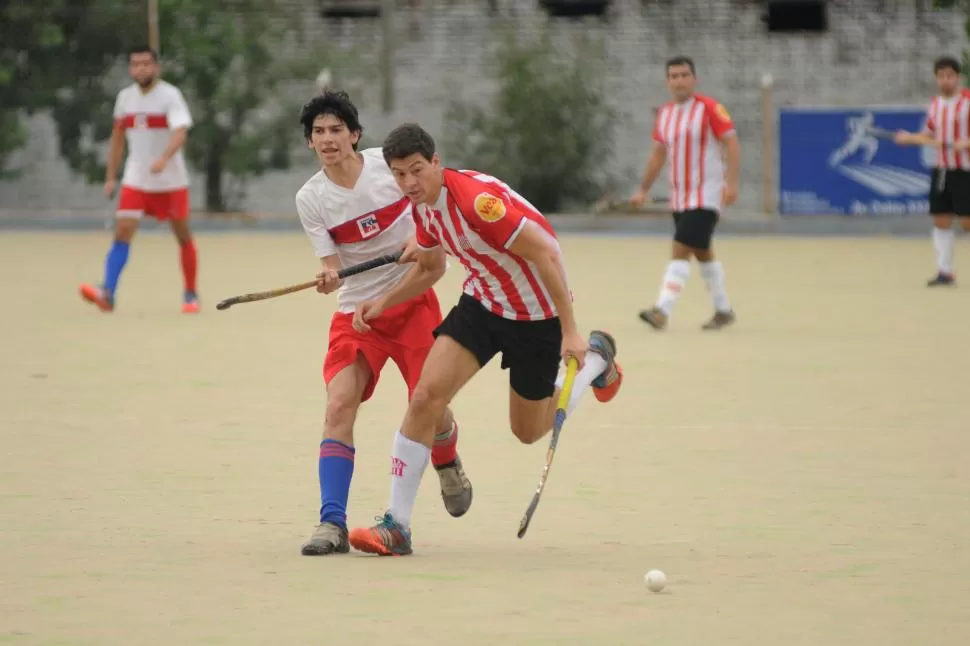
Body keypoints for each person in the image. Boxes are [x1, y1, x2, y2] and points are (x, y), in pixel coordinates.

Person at [345, 123, 624, 556]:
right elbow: (432, 267)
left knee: (527, 430)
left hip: (538, 314)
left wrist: (569, 330)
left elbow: (546, 253)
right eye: (399, 174)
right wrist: (383, 301)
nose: (409, 183)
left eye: (417, 170)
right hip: (484, 302)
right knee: (425, 397)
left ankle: (594, 364)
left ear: (436, 163)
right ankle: (396, 526)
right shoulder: (421, 208)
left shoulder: (479, 203)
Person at [294, 92, 473, 556]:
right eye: (319, 133)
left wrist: (422, 238)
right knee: (338, 406)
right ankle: (331, 523)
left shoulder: (388, 169)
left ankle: (447, 458)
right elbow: (333, 266)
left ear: (354, 135)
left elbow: (431, 213)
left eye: (337, 130)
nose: (328, 139)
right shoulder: (311, 198)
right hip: (358, 313)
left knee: (430, 408)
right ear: (310, 143)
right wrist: (329, 275)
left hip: (413, 301)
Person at [79, 46, 199, 313]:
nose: (141, 69)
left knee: (182, 235)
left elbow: (180, 132)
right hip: (136, 179)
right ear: (131, 69)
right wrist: (111, 177)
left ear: (156, 67)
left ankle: (190, 294)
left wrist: (164, 159)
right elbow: (117, 140)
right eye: (135, 64)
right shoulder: (125, 98)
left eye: (146, 64)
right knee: (122, 232)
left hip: (171, 180)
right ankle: (107, 293)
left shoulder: (170, 95)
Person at [630, 56, 740, 330]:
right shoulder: (665, 114)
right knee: (702, 252)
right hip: (680, 197)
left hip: (707, 195)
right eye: (674, 76)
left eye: (684, 75)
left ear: (694, 79)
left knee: (680, 248)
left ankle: (661, 311)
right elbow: (658, 155)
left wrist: (732, 183)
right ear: (667, 82)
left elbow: (732, 143)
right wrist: (643, 189)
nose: (679, 80)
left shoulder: (710, 109)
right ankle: (723, 310)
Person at [895, 55, 970, 287]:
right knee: (941, 219)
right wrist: (909, 138)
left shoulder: (967, 101)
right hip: (942, 170)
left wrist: (965, 143)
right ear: (936, 78)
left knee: (967, 222)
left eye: (950, 76)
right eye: (941, 76)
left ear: (957, 77)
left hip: (965, 169)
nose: (945, 80)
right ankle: (945, 272)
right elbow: (929, 134)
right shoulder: (935, 104)